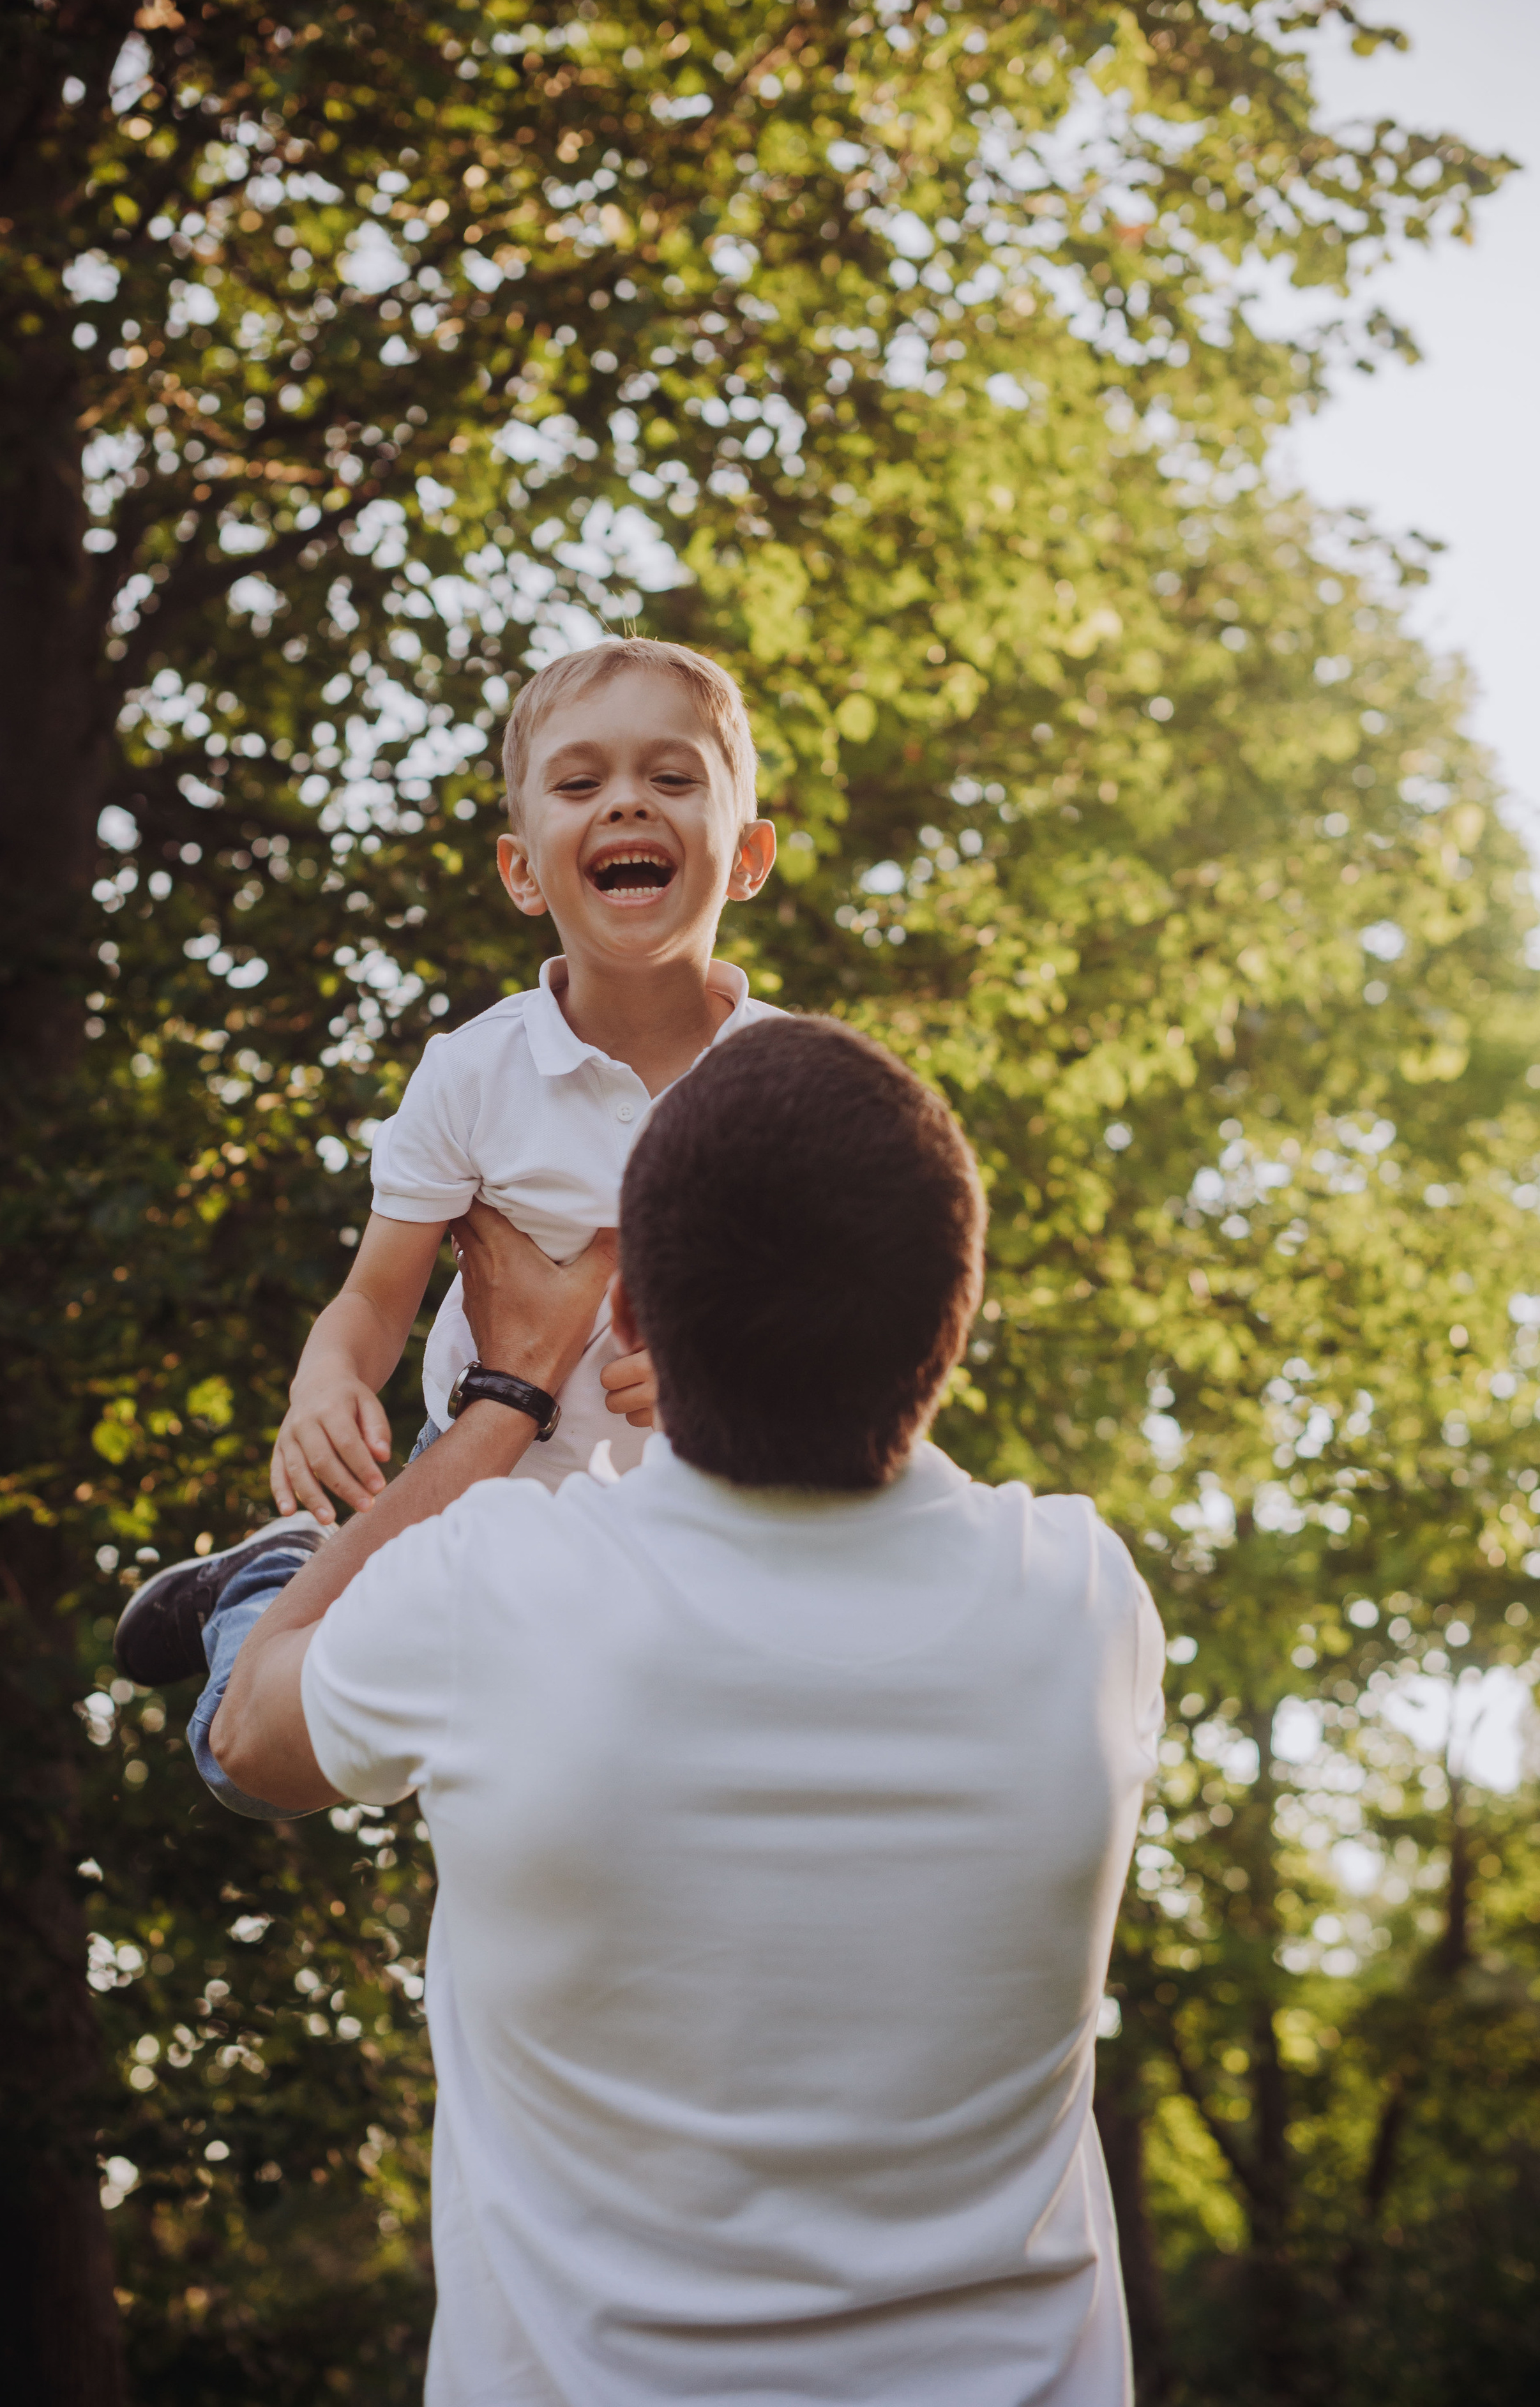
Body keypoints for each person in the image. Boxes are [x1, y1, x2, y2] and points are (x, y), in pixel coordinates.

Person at [213, 1017, 1165, 2407]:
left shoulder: (499, 1589)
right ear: (952, 1317)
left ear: (636, 1325)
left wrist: (504, 1392)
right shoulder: (1082, 1599)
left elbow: (250, 1740)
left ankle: (254, 1572)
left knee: (260, 1627)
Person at [113, 637, 781, 1813]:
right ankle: (271, 1580)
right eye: (582, 784)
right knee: (254, 1760)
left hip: (688, 1501)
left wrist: (728, 1363)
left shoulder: (788, 1077)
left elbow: (827, 1311)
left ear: (748, 858)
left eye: (673, 779)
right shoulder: (476, 1075)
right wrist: (326, 1383)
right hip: (476, 1489)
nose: (628, 798)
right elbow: (377, 1296)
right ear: (525, 871)